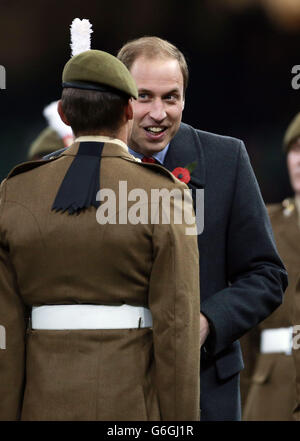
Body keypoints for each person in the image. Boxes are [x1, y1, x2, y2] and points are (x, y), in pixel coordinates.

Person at [0, 48, 200, 420]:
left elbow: (4, 332)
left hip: (41, 404)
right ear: (129, 110)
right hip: (129, 405)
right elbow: (177, 328)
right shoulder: (165, 193)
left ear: (63, 114)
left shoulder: (14, 191)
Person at [116, 36, 288, 421]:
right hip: (111, 382)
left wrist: (208, 322)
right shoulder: (86, 164)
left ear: (184, 99)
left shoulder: (227, 159)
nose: (158, 113)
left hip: (204, 385)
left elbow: (267, 275)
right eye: (144, 96)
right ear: (119, 98)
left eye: (171, 97)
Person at [240, 113, 300, 420]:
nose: (299, 159)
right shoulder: (265, 225)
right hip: (272, 387)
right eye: (294, 148)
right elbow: (243, 324)